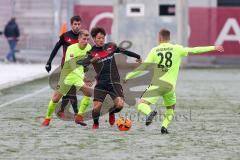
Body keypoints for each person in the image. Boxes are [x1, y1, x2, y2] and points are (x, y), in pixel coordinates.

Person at [124, 28, 224, 134]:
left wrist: (128, 77)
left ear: (160, 37)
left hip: (157, 85)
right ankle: (164, 127)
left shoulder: (154, 50)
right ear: (169, 38)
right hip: (170, 87)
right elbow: (195, 50)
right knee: (171, 108)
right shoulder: (177, 49)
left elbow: (143, 67)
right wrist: (213, 47)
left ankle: (149, 113)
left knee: (141, 104)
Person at [76, 27, 142, 129]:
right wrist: (93, 60)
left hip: (114, 82)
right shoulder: (91, 52)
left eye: (103, 38)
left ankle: (112, 111)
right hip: (101, 84)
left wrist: (137, 56)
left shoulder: (111, 47)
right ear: (94, 39)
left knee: (120, 105)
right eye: (99, 38)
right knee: (97, 108)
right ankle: (96, 124)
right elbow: (80, 63)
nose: (101, 40)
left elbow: (124, 51)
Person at [42, 29, 92, 126]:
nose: (85, 41)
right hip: (67, 76)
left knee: (88, 93)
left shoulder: (89, 47)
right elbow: (72, 65)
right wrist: (84, 77)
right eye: (84, 39)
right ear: (79, 39)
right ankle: (47, 119)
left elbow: (87, 61)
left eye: (87, 39)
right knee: (55, 98)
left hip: (78, 76)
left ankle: (79, 116)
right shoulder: (71, 49)